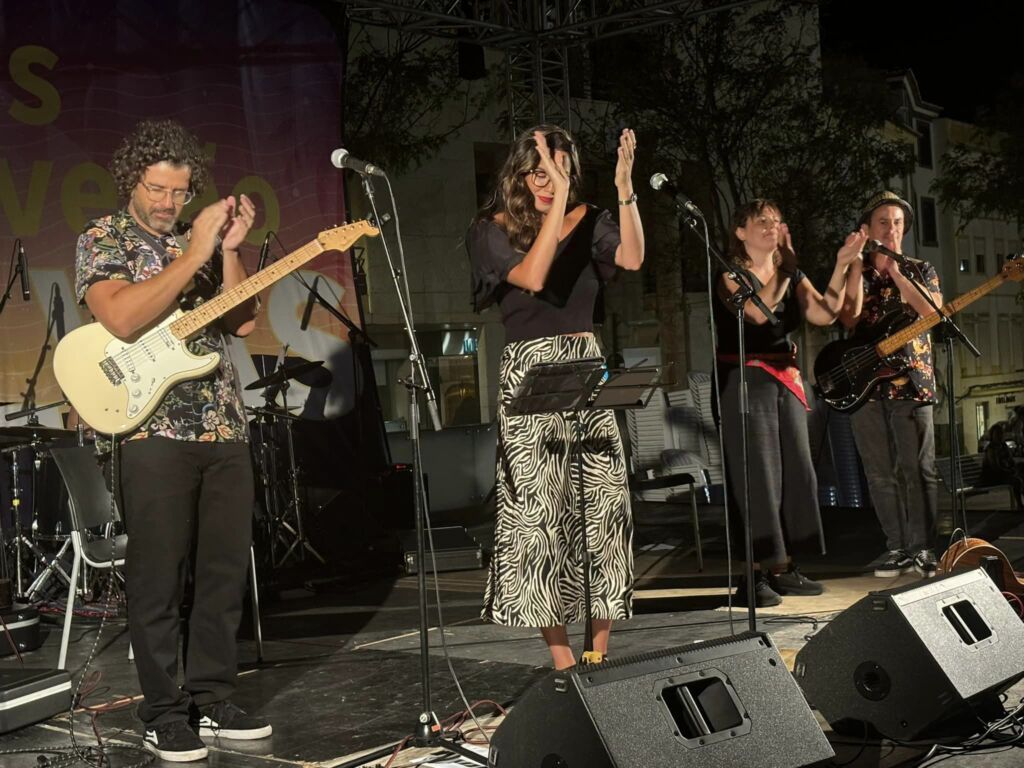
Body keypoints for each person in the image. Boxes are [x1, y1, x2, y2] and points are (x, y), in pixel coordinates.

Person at [74, 120, 270, 762]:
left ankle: (212, 697)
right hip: (151, 430)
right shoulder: (104, 237)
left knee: (222, 572)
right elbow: (121, 316)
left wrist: (230, 250)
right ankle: (162, 711)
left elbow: (242, 321)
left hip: (223, 424)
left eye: (179, 192)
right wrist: (194, 251)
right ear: (132, 181)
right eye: (156, 189)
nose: (167, 202)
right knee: (158, 576)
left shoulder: (203, 241)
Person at [467, 125, 643, 669]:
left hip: (586, 365)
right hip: (531, 373)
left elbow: (633, 259)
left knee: (603, 510)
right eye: (540, 173)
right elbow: (534, 276)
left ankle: (598, 655)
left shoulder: (590, 219)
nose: (550, 183)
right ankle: (564, 662)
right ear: (520, 175)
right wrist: (559, 202)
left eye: (561, 172)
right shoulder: (491, 230)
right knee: (541, 517)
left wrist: (625, 190)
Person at [714, 200, 866, 606]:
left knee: (798, 472)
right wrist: (785, 271)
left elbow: (825, 314)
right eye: (762, 221)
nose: (772, 226)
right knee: (757, 477)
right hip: (744, 380)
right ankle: (753, 575)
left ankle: (784, 566)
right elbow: (756, 313)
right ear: (740, 232)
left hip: (785, 377)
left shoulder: (791, 272)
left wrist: (843, 265)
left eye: (777, 221)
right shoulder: (730, 274)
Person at [840, 191, 943, 579]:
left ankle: (924, 547)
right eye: (883, 222)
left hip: (912, 381)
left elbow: (932, 314)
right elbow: (848, 318)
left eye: (898, 223)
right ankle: (897, 546)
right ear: (867, 229)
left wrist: (898, 274)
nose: (892, 229)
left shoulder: (922, 269)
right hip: (866, 385)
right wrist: (855, 267)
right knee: (880, 471)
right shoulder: (858, 270)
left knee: (919, 469)